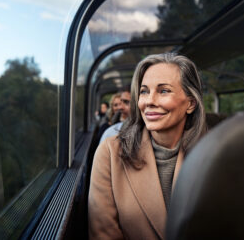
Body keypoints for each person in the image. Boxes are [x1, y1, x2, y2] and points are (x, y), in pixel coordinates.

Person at [88, 53, 206, 240]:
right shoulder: (111, 152)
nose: (149, 101)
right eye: (144, 91)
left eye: (164, 91)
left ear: (191, 103)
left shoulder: (214, 156)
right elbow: (103, 234)